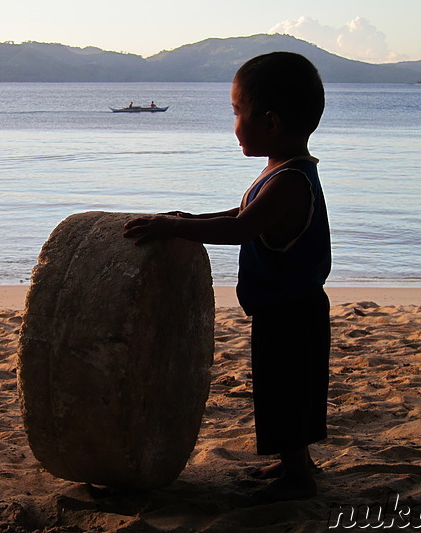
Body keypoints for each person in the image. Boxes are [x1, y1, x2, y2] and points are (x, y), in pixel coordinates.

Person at [123, 51, 331, 502]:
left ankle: (298, 479)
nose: (233, 122)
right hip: (285, 305)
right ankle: (295, 463)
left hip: (291, 310)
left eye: (237, 112)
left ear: (271, 122)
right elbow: (243, 214)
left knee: (286, 392)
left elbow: (240, 229)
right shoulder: (281, 169)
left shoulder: (289, 181)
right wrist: (186, 217)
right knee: (282, 391)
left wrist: (177, 228)